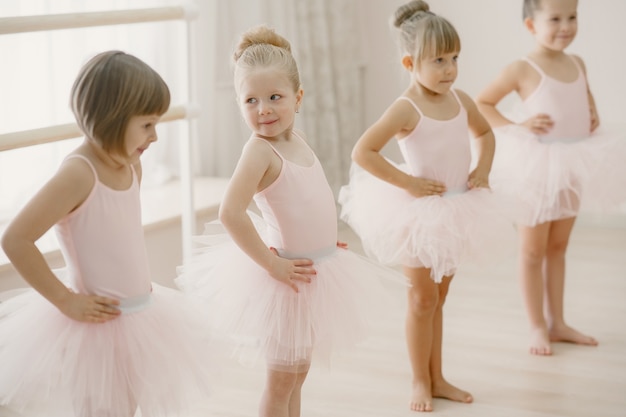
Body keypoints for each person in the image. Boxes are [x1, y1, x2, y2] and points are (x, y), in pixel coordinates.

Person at [176, 25, 402, 417]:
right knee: (280, 379)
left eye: (274, 97)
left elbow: (309, 197)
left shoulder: (295, 138)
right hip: (284, 279)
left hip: (313, 271)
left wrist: (327, 245)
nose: (263, 109)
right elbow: (230, 212)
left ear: (298, 98)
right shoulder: (258, 152)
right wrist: (271, 263)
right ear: (238, 104)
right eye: (251, 100)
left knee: (299, 372)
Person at [0, 51, 215, 417]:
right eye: (147, 125)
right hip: (100, 326)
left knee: (130, 408)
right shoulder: (79, 174)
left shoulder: (132, 166)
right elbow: (15, 239)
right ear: (112, 118)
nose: (155, 136)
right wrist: (65, 300)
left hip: (141, 315)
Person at [338, 0, 517, 412]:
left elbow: (485, 135)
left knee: (440, 297)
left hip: (457, 210)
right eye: (439, 60)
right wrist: (409, 183)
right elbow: (363, 152)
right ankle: (419, 379)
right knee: (421, 299)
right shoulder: (407, 107)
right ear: (410, 61)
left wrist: (483, 170)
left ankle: (438, 377)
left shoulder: (461, 100)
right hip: (420, 216)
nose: (450, 68)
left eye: (454, 57)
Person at [476, 0, 626, 356]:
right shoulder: (522, 68)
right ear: (531, 26)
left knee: (558, 246)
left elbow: (586, 102)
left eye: (572, 17)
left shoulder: (578, 63)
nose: (566, 26)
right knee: (532, 250)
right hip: (537, 165)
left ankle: (558, 321)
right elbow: (482, 104)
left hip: (574, 160)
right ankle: (537, 326)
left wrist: (591, 113)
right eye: (555, 19)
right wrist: (518, 125)